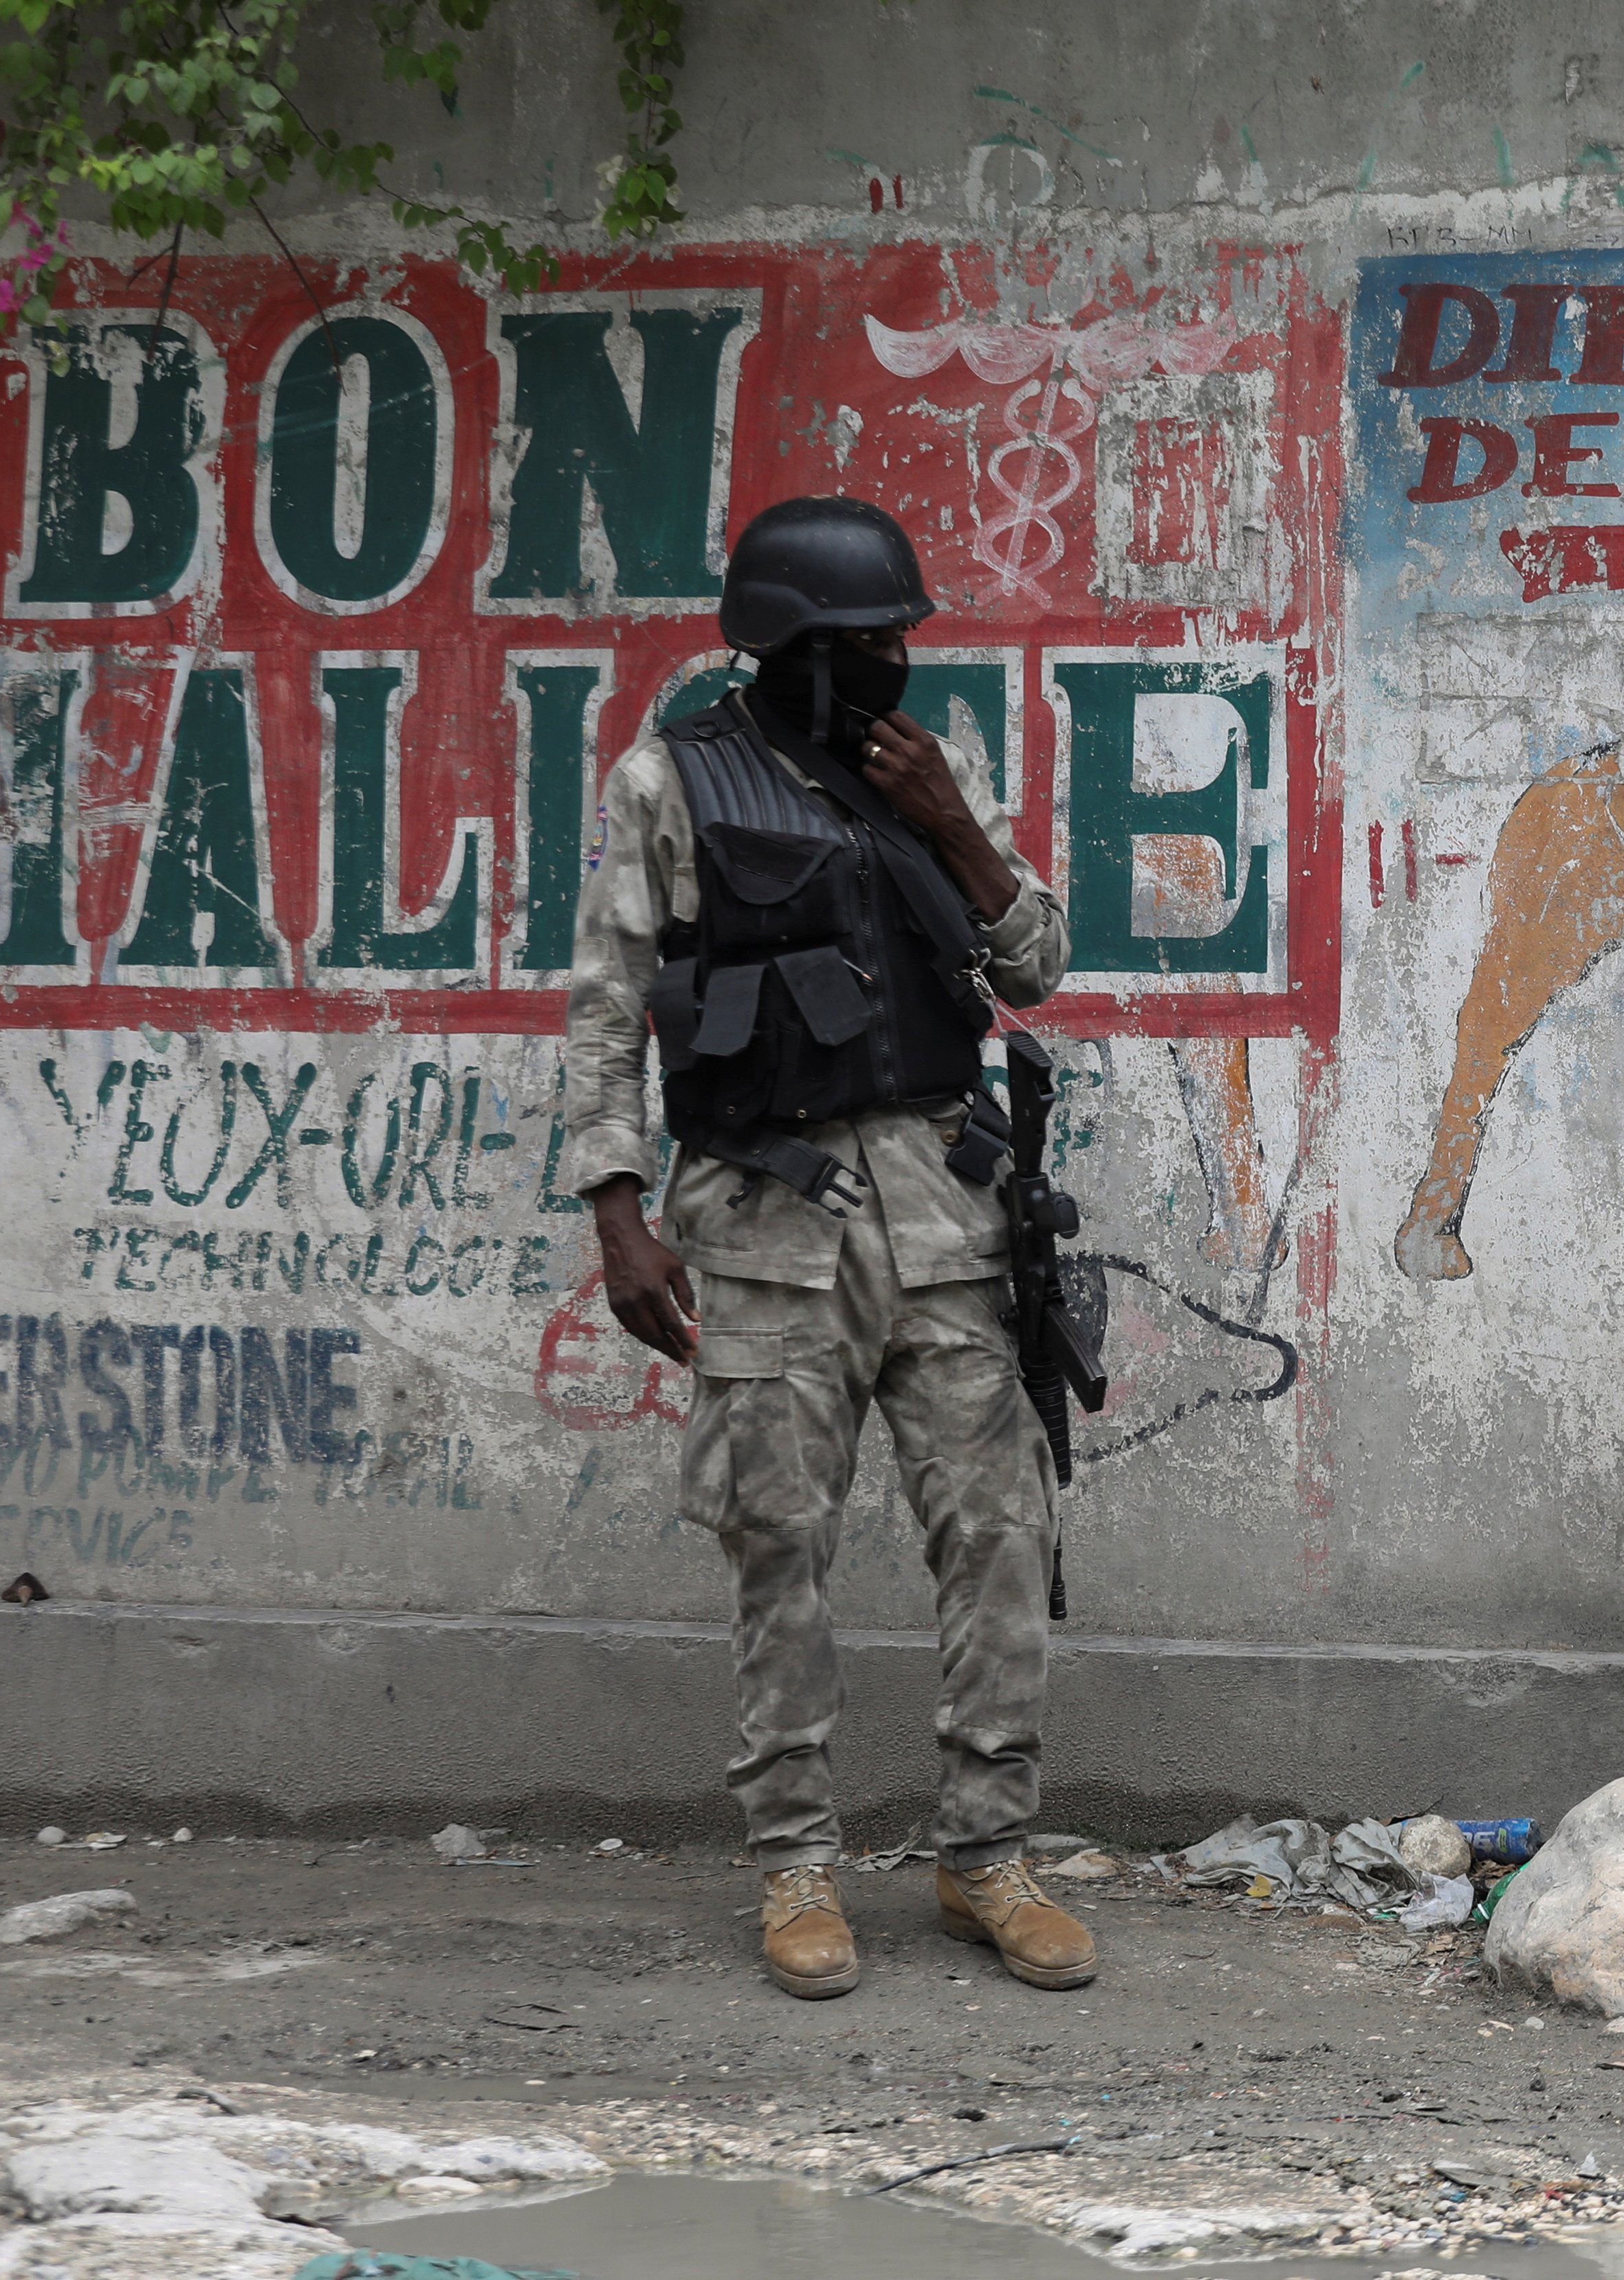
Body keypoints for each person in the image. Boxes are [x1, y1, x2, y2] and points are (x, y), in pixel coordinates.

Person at [558, 496, 1095, 2000]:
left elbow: (1037, 969)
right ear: (795, 647)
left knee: (996, 1530)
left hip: (941, 1204)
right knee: (776, 1539)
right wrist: (618, 1210)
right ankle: (795, 1856)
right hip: (764, 1216)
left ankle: (986, 1849)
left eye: (900, 638)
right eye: (869, 640)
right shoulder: (671, 779)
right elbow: (611, 996)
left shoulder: (933, 775)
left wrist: (954, 827)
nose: (895, 664)